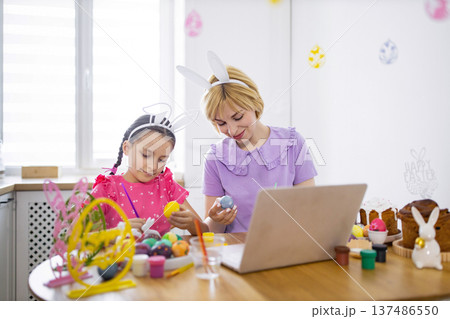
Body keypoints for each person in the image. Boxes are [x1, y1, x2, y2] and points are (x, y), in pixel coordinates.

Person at [178, 52, 317, 233]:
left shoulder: (292, 142)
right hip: (235, 253)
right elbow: (212, 233)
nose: (233, 130)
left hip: (286, 246)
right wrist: (217, 219)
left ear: (253, 102)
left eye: (238, 116)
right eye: (221, 123)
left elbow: (309, 208)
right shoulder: (215, 158)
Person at [91, 111, 209, 236]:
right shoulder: (106, 189)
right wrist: (116, 232)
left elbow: (206, 232)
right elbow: (74, 238)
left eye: (161, 159)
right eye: (146, 155)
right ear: (126, 148)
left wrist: (193, 224)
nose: (152, 166)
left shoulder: (167, 187)